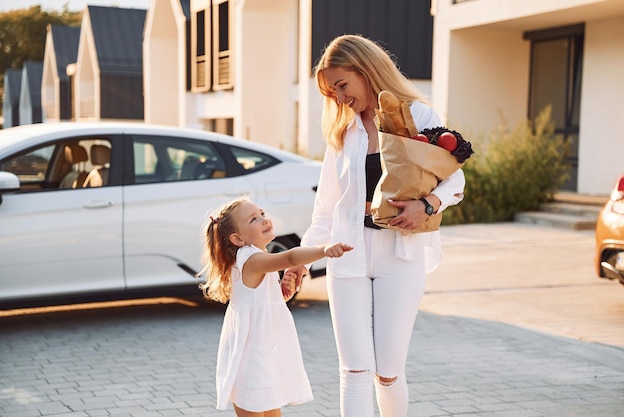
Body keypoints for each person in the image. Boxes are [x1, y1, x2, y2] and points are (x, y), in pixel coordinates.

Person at [285, 34, 466, 417]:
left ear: (366, 71)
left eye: (342, 85)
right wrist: (300, 260)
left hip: (400, 256)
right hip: (347, 256)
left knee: (387, 373)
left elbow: (455, 180)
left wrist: (426, 205)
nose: (338, 97)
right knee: (354, 371)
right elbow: (326, 209)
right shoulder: (344, 133)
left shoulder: (418, 116)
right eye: (332, 91)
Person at [197, 196, 353, 417]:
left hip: (263, 353)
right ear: (237, 238)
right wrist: (323, 250)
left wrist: (279, 296)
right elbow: (290, 258)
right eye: (253, 219)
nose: (263, 219)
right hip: (251, 358)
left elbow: (259, 300)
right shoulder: (250, 259)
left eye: (261, 213)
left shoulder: (254, 257)